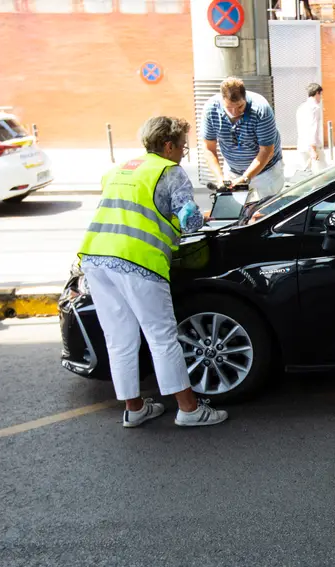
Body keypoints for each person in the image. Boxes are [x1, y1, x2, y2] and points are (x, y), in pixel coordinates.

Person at [76, 116, 228, 428]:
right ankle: (189, 409)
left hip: (95, 259)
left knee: (119, 338)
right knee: (162, 337)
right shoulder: (170, 172)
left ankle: (134, 408)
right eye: (183, 147)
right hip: (138, 261)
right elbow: (188, 220)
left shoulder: (118, 169)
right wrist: (205, 217)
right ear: (169, 145)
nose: (183, 153)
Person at [201, 77, 284, 199]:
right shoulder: (211, 109)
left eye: (240, 106)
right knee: (233, 213)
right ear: (222, 100)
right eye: (229, 108)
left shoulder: (261, 109)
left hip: (266, 172)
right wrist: (220, 178)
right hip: (232, 171)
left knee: (266, 214)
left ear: (245, 98)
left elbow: (267, 151)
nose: (235, 112)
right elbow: (209, 148)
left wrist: (246, 178)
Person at [296, 83, 326, 173]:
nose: (321, 97)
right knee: (322, 175)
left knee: (307, 175)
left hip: (302, 145)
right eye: (320, 94)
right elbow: (313, 128)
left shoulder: (301, 107)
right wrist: (313, 150)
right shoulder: (314, 108)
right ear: (317, 93)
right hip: (313, 147)